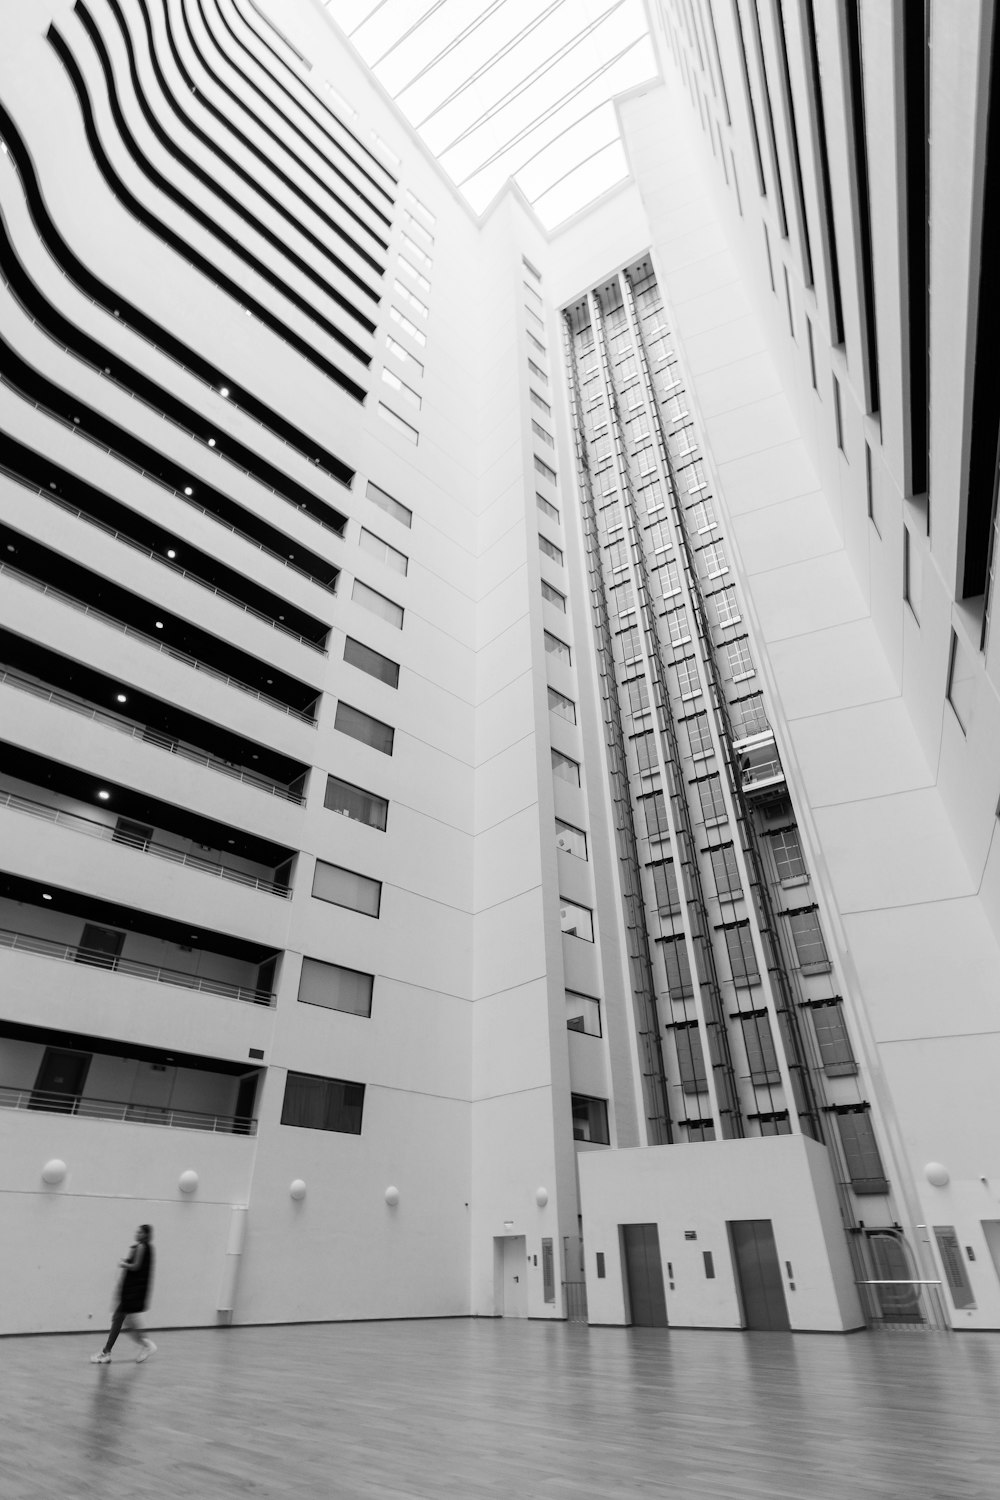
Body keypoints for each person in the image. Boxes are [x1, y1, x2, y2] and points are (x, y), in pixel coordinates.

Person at [90, 1224, 156, 1364]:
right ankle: (145, 1344)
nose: (137, 1234)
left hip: (132, 1293)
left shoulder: (141, 1247)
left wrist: (124, 1263)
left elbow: (136, 1266)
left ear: (145, 1234)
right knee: (125, 1320)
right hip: (132, 1292)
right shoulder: (145, 1248)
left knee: (119, 1318)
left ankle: (107, 1352)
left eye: (140, 1232)